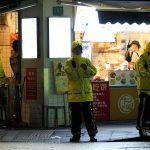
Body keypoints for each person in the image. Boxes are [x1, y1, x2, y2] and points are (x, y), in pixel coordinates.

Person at [64, 41, 98, 142]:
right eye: (76, 48)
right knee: (75, 117)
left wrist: (86, 68)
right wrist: (76, 69)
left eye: (79, 48)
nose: (78, 50)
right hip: (74, 96)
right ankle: (76, 135)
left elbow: (94, 72)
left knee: (89, 116)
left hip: (86, 95)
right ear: (72, 50)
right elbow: (73, 77)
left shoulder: (86, 61)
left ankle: (92, 135)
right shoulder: (68, 63)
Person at [135, 42, 150, 129]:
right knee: (143, 108)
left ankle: (146, 123)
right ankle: (140, 124)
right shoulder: (142, 58)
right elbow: (141, 70)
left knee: (148, 108)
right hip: (144, 88)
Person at [10, 40, 22, 125]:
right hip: (20, 78)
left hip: (15, 78)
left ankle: (16, 118)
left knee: (16, 99)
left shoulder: (11, 57)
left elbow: (12, 68)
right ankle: (20, 118)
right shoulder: (20, 56)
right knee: (21, 100)